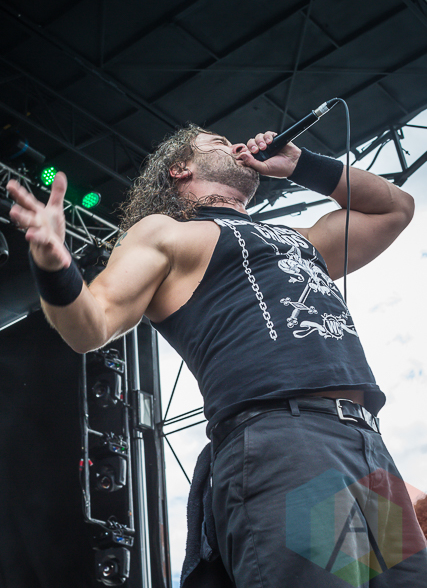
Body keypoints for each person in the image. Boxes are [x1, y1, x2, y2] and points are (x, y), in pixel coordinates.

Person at [6, 125, 427, 587]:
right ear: (180, 168)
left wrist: (300, 164)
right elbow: (92, 325)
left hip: (361, 442)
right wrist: (55, 265)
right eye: (217, 141)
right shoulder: (166, 233)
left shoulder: (298, 238)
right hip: (287, 441)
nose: (235, 144)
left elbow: (396, 209)